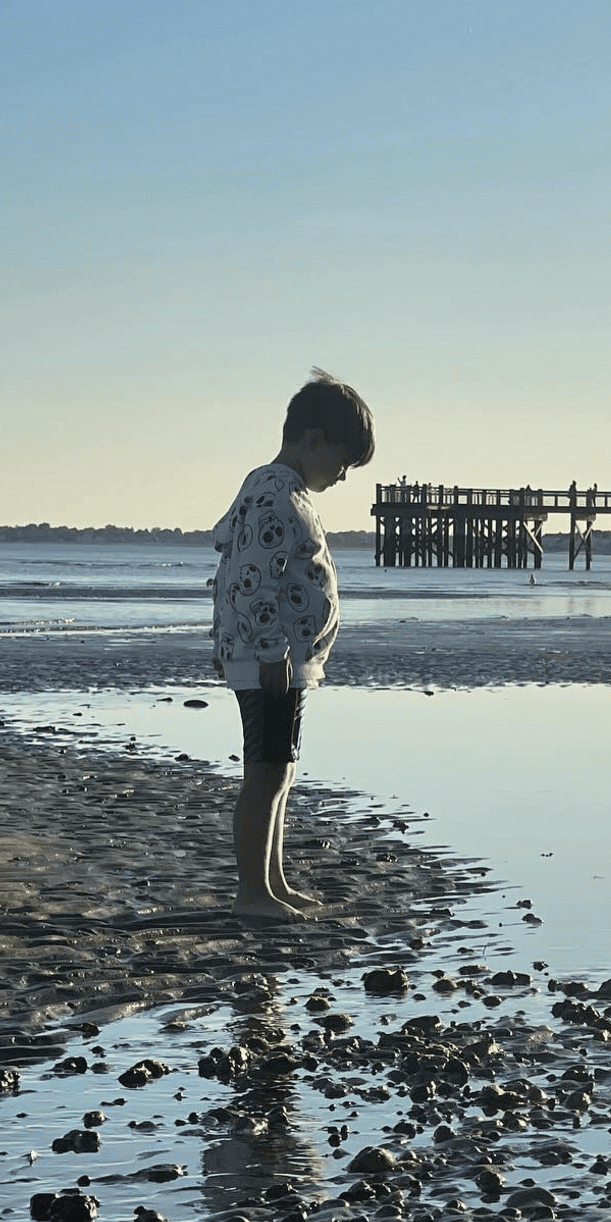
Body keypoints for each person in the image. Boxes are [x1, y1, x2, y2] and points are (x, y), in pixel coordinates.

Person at [210, 370, 375, 918]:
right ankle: (252, 894)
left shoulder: (284, 491)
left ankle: (273, 883)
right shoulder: (274, 493)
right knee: (265, 773)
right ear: (312, 439)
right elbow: (255, 576)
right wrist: (270, 651)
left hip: (280, 659)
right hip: (267, 659)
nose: (344, 475)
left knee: (281, 769)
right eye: (343, 461)